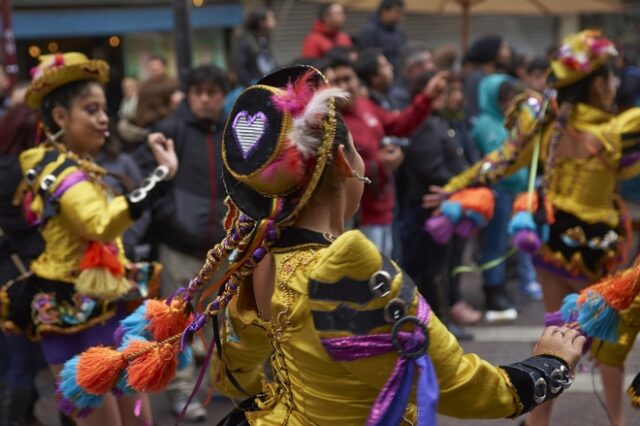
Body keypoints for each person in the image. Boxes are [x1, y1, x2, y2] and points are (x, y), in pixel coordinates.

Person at [67, 64, 585, 426]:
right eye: (358, 151)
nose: (364, 163)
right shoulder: (348, 263)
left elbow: (233, 377)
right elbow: (459, 387)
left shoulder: (255, 260)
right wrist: (549, 367)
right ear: (343, 164)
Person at [426, 30, 640, 426]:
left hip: (552, 239)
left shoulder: (547, 124)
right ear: (598, 83)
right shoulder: (617, 132)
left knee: (556, 328)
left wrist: (456, 187)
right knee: (609, 334)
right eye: (611, 77)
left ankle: (538, 419)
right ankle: (618, 420)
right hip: (599, 244)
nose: (614, 85)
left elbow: (502, 159)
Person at [8, 52, 178, 426]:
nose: (104, 119)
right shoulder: (50, 165)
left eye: (104, 108)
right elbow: (98, 223)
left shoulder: (84, 166)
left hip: (110, 309)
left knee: (138, 421)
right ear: (60, 118)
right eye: (91, 109)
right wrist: (159, 176)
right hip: (70, 318)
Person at [134, 64, 231, 421]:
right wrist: (170, 217)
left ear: (222, 95)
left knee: (224, 322)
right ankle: (180, 392)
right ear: (189, 95)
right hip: (178, 246)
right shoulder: (169, 132)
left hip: (224, 248)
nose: (205, 98)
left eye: (213, 91)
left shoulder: (234, 133)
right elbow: (149, 181)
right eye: (199, 91)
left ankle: (223, 385)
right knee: (176, 323)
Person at [322, 54, 444, 256]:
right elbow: (333, 170)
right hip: (357, 215)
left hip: (385, 207)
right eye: (337, 81)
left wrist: (427, 97)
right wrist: (379, 164)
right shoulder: (328, 120)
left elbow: (398, 124)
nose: (345, 85)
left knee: (386, 273)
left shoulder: (364, 105)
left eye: (348, 78)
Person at [398, 72, 481, 340]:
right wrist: (458, 184)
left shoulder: (442, 123)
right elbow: (431, 167)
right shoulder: (425, 126)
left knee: (443, 267)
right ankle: (437, 324)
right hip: (430, 208)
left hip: (449, 206)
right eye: (446, 91)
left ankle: (442, 321)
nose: (453, 97)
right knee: (433, 270)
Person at [0, 103, 48, 426]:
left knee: (11, 360)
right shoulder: (28, 172)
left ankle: (24, 417)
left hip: (6, 272)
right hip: (24, 274)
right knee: (24, 360)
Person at [463, 34, 512, 122]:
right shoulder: (475, 79)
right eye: (504, 47)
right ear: (492, 51)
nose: (508, 51)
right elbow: (473, 113)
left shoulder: (497, 76)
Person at [232, 6, 278, 87]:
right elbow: (241, 69)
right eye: (271, 18)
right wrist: (252, 87)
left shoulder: (264, 39)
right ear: (262, 23)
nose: (274, 21)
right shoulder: (245, 41)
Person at [358, 0, 407, 69]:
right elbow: (368, 60)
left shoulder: (399, 31)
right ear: (384, 11)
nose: (400, 17)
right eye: (397, 12)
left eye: (401, 13)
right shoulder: (370, 31)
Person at [389, 41, 436, 109]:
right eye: (428, 62)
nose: (432, 67)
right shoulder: (400, 97)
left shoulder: (420, 89)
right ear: (415, 68)